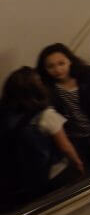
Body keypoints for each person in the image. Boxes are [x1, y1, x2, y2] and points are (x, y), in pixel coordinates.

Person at [0, 67, 84, 204]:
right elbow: (65, 147)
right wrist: (78, 164)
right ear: (36, 89)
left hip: (25, 180)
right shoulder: (45, 115)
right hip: (55, 173)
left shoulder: (5, 116)